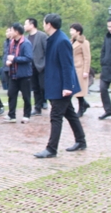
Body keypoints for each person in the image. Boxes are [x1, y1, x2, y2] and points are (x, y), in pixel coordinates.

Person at [34, 14, 87, 158]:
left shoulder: (61, 40)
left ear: (49, 24)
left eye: (44, 23)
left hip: (61, 86)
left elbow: (67, 65)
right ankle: (81, 141)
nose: (43, 25)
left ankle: (51, 149)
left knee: (56, 116)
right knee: (70, 113)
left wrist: (67, 87)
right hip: (56, 84)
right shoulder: (53, 39)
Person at [4, 22, 33, 123]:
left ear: (16, 32)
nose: (10, 32)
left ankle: (26, 115)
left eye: (11, 30)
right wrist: (8, 61)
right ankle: (11, 115)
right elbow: (8, 55)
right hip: (13, 74)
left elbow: (29, 58)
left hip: (24, 74)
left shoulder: (26, 43)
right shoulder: (11, 42)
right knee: (11, 94)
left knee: (26, 96)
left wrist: (15, 59)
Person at [24, 18, 48, 114]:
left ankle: (49, 103)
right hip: (30, 67)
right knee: (35, 88)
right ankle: (37, 108)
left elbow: (47, 51)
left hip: (41, 67)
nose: (24, 26)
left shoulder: (42, 36)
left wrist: (44, 64)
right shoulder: (26, 38)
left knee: (44, 87)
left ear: (32, 24)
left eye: (26, 24)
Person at [69, 23, 91, 117]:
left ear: (78, 32)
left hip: (80, 68)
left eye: (72, 30)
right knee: (74, 89)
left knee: (79, 91)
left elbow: (87, 57)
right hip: (72, 68)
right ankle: (84, 104)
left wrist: (86, 71)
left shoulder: (84, 43)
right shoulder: (71, 41)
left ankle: (81, 108)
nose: (70, 32)